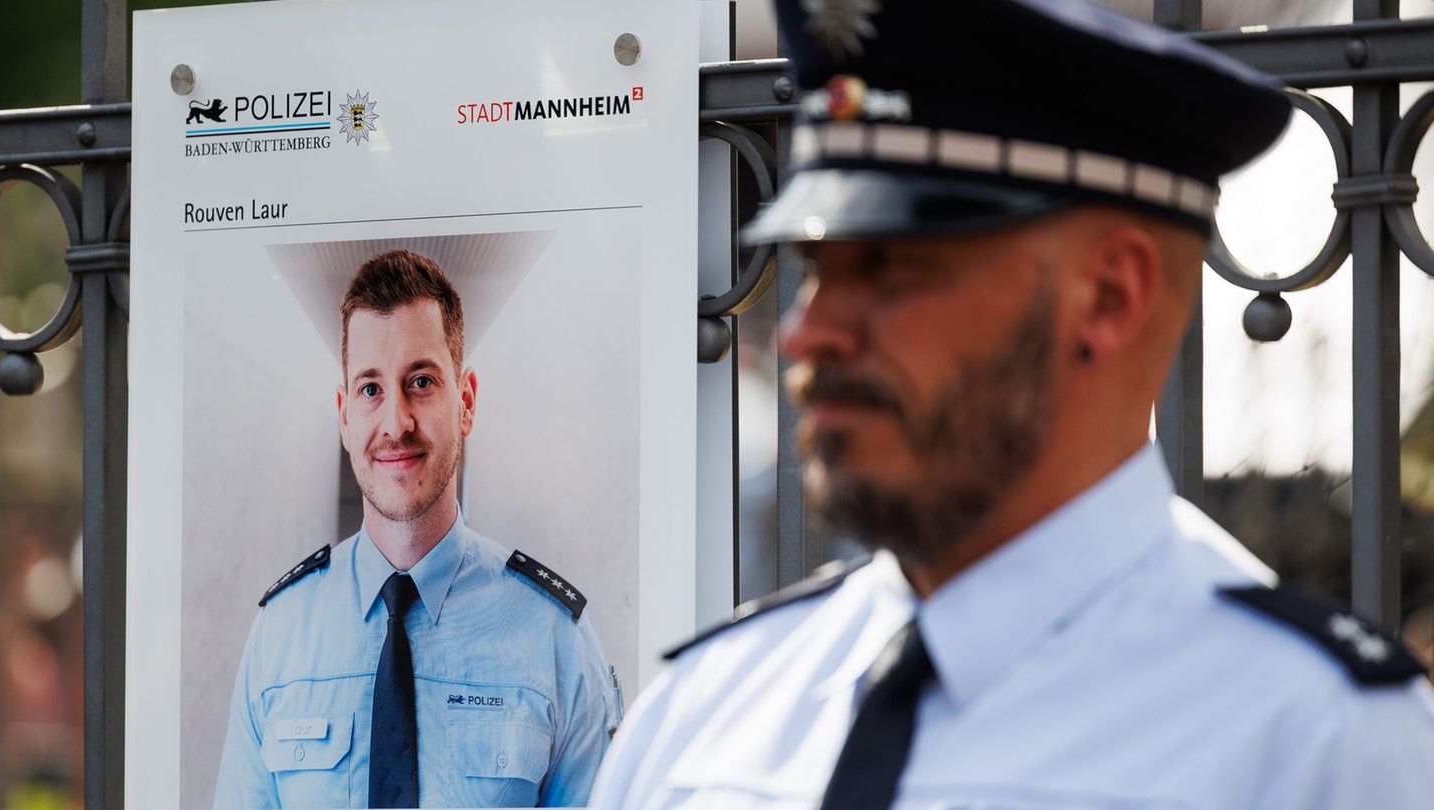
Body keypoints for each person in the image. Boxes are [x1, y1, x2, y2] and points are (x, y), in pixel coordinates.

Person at [589, 1, 1434, 808]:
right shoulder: (701, 718)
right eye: (815, 271)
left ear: (1110, 295)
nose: (809, 335)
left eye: (891, 269)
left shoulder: (1315, 746)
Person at [214, 249, 620, 809]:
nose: (396, 423)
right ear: (344, 414)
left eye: (421, 381)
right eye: (371, 389)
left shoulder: (554, 639)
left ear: (467, 401)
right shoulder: (279, 636)